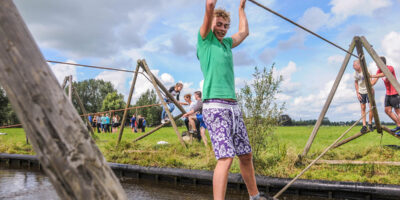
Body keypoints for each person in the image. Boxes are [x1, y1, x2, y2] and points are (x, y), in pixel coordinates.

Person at [197, 1, 269, 199]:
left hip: (233, 108)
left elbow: (244, 32)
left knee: (245, 154)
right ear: (210, 24)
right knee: (226, 158)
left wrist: (241, 9)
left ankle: (255, 196)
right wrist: (211, 10)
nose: (222, 29)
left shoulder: (227, 44)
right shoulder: (205, 41)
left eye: (225, 26)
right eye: (219, 24)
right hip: (215, 107)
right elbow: (210, 5)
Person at [371, 56, 400, 135]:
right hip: (388, 94)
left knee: (397, 111)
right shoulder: (378, 71)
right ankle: (399, 125)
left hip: (395, 92)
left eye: (377, 63)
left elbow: (384, 74)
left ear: (381, 63)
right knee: (387, 111)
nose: (376, 65)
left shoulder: (390, 68)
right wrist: (366, 80)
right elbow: (373, 82)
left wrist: (373, 76)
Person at [353, 60, 374, 133]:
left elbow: (371, 79)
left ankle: (370, 123)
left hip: (368, 90)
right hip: (361, 92)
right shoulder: (355, 73)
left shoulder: (366, 69)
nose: (353, 67)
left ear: (359, 65)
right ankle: (364, 125)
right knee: (363, 107)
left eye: (355, 65)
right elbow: (356, 82)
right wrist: (357, 93)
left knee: (371, 107)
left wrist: (371, 88)